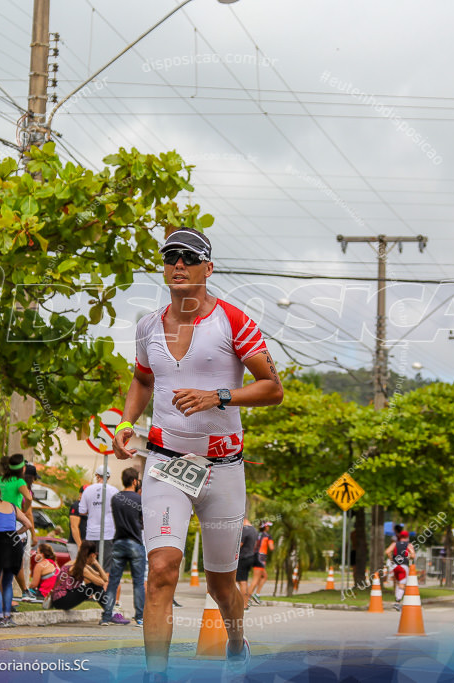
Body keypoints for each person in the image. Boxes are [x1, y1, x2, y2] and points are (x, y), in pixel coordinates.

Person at [111, 228, 284, 679]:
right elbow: (143, 381)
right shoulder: (148, 325)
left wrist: (218, 397)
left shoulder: (233, 322)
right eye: (171, 257)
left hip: (222, 468)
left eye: (189, 257)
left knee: (221, 583)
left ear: (208, 267)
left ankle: (236, 640)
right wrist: (128, 423)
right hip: (166, 463)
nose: (178, 264)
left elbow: (272, 389)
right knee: (162, 570)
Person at [80, 464, 128, 625]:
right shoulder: (114, 491)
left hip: (91, 534)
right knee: (106, 572)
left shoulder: (88, 490)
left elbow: (82, 511)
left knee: (89, 569)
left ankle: (93, 597)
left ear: (97, 475)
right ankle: (108, 609)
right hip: (108, 534)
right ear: (108, 476)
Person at [0, 483, 34, 627]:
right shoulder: (12, 506)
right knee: (8, 581)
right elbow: (28, 524)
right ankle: (7, 617)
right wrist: (16, 534)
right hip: (14, 544)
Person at [104, 467, 147, 626]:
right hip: (135, 542)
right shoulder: (139, 499)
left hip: (119, 542)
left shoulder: (116, 498)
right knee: (138, 581)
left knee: (113, 581)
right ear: (135, 481)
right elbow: (142, 520)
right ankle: (140, 617)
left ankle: (106, 616)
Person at [0, 453, 35, 599]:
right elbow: (28, 497)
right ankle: (24, 591)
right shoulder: (19, 482)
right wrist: (24, 510)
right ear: (22, 469)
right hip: (14, 523)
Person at [49, 541, 109, 611]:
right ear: (93, 555)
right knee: (94, 586)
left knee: (93, 587)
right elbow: (101, 583)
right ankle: (109, 612)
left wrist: (96, 563)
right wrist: (95, 562)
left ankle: (109, 612)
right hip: (60, 600)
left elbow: (105, 579)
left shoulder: (79, 564)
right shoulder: (80, 568)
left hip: (59, 600)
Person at [384, 530, 415, 611]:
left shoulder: (394, 544)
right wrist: (409, 556)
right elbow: (413, 555)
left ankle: (397, 599)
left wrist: (391, 558)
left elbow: (387, 551)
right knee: (402, 585)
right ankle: (397, 602)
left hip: (395, 566)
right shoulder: (409, 545)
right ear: (407, 537)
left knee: (397, 583)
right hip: (403, 566)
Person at [248, 521, 275, 605]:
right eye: (268, 526)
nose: (269, 528)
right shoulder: (267, 536)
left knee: (264, 576)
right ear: (265, 527)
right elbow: (271, 548)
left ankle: (257, 594)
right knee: (256, 579)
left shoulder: (256, 535)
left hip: (254, 556)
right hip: (261, 558)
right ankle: (247, 598)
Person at [237, 518, 258, 611]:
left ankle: (243, 604)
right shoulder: (254, 530)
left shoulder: (245, 530)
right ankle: (244, 603)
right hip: (250, 557)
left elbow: (239, 544)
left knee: (242, 582)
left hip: (243, 558)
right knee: (243, 580)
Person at [67, 485, 89, 559]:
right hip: (76, 544)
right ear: (80, 494)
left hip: (86, 543)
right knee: (77, 567)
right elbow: (74, 527)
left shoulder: (88, 507)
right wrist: (79, 545)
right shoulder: (76, 506)